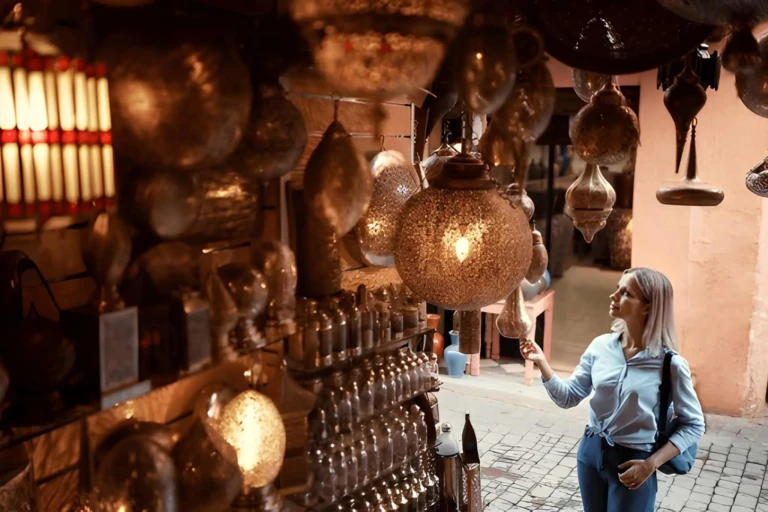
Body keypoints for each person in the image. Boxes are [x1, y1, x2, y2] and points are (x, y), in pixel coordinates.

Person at [520, 267, 704, 512]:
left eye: (626, 293)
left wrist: (651, 465)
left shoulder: (670, 364)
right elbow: (569, 397)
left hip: (634, 460)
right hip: (590, 452)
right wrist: (541, 362)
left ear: (648, 306)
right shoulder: (600, 347)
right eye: (618, 288)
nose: (614, 296)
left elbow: (694, 424)